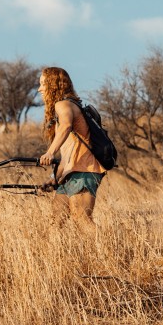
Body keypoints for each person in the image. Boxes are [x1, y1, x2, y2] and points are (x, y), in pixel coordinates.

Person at [38, 67, 105, 236]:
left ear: (53, 85)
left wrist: (50, 152)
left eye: (42, 84)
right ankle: (50, 259)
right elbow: (68, 154)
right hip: (71, 172)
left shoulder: (63, 105)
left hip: (84, 171)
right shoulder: (64, 106)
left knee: (82, 219)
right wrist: (54, 178)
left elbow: (67, 126)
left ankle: (115, 251)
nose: (39, 89)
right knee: (56, 221)